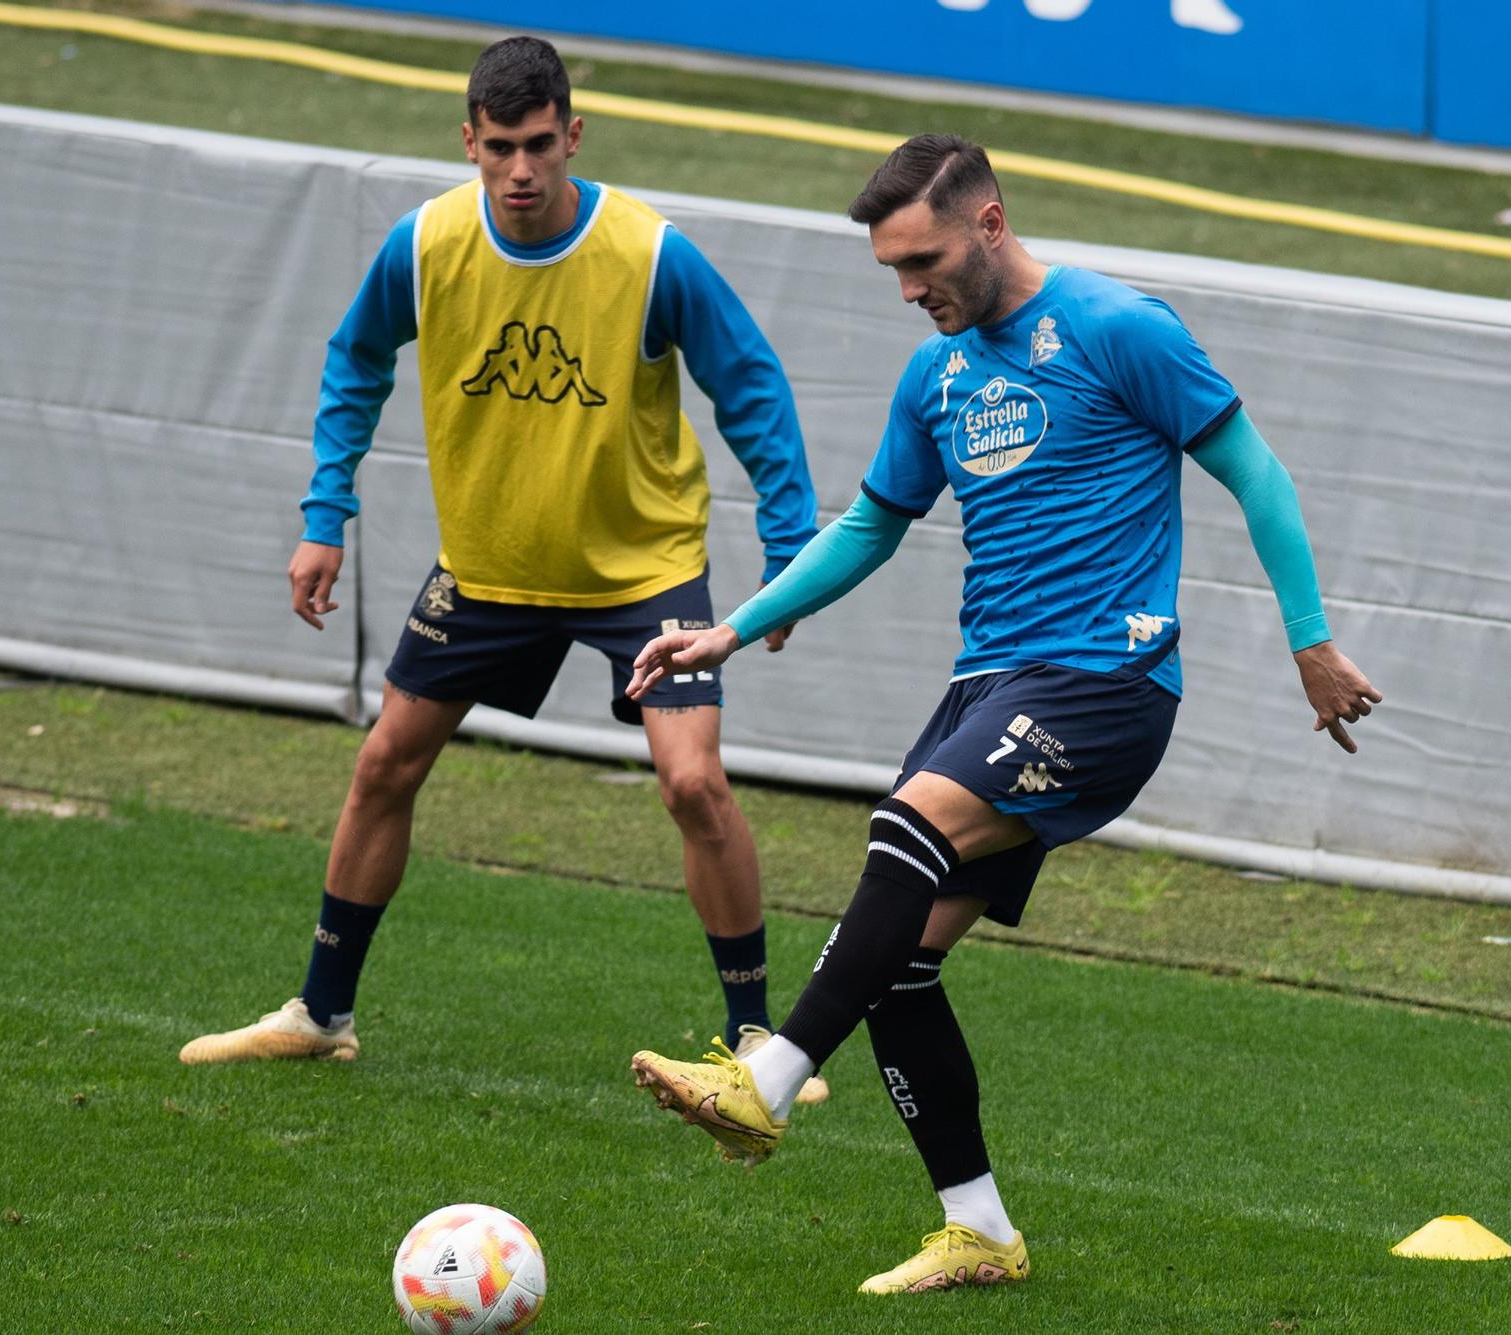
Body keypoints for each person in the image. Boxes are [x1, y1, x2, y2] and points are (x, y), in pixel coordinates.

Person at [626, 134, 1380, 1296]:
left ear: (987, 222)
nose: (909, 288)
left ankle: (765, 1080)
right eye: (890, 270)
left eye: (921, 260)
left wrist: (1309, 639)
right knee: (897, 965)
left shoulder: (1117, 326)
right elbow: (873, 524)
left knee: (901, 830)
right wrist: (733, 626)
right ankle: (977, 1231)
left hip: (1103, 684)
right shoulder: (932, 377)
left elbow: (1253, 470)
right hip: (989, 687)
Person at [180, 36, 826, 1099]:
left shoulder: (649, 253)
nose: (519, 170)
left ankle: (759, 1045)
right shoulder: (424, 243)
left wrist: (790, 548)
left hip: (640, 571)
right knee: (384, 763)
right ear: (467, 142)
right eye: (497, 148)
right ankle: (321, 1013)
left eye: (537, 145)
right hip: (484, 570)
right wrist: (322, 512)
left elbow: (748, 384)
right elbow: (354, 361)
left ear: (571, 135)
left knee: (694, 783)